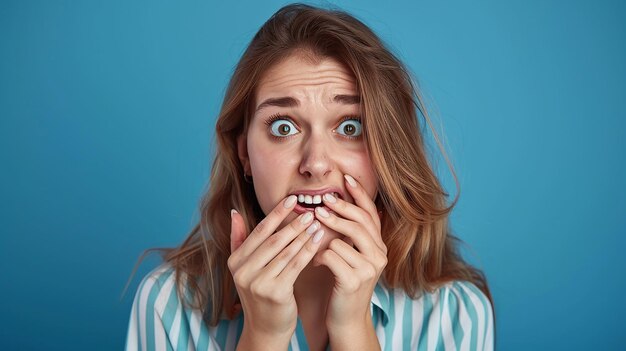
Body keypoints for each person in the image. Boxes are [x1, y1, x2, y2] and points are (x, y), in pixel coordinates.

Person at [125, 3, 495, 350]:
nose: (316, 164)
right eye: (284, 127)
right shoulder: (169, 306)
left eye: (350, 127)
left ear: (388, 151)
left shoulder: (455, 315)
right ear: (244, 155)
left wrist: (354, 330)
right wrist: (263, 336)